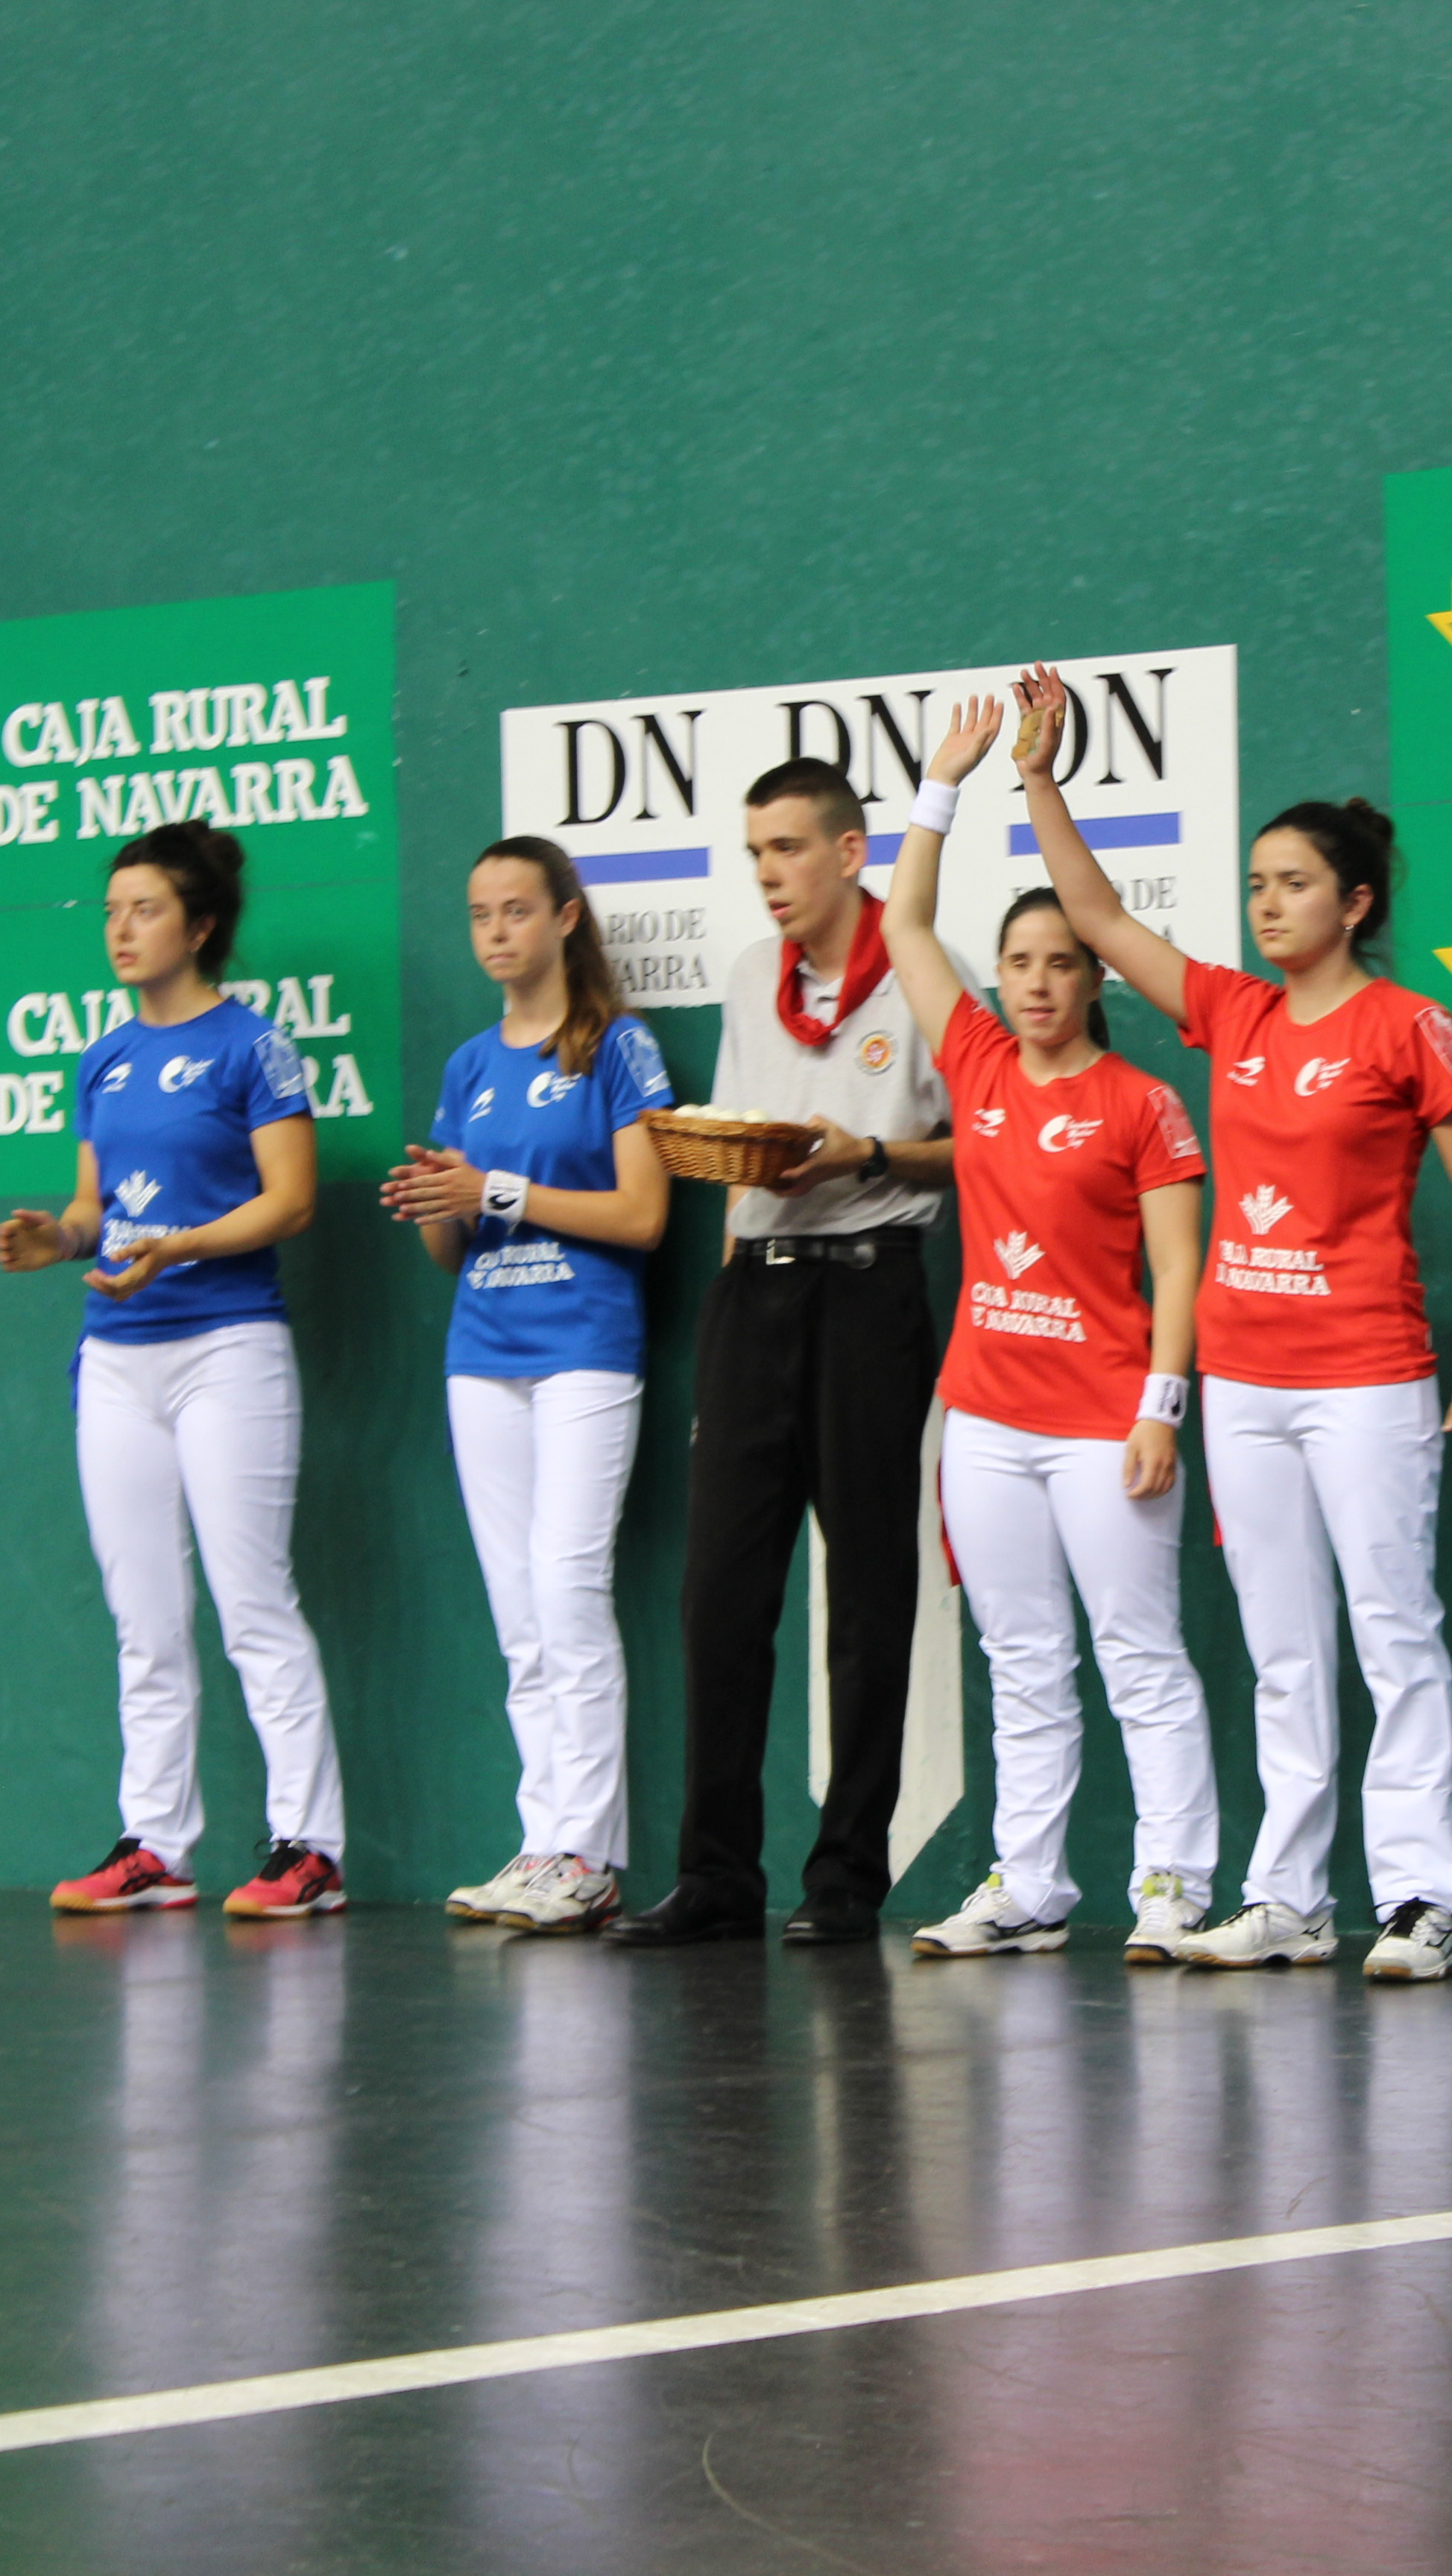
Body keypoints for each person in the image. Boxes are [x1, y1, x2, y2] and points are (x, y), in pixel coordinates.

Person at [1016, 666, 1452, 1979]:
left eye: (1292, 883)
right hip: (1243, 1382)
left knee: (1393, 1631)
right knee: (1281, 1645)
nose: (1267, 903)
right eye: (1255, 885)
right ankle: (1289, 1897)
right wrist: (1035, 775)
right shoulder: (1230, 1013)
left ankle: (1417, 1898)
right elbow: (1093, 912)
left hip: (1367, 1376)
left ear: (1354, 901)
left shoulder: (1407, 1026)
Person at [875, 696, 1224, 1964]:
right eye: (1019, 962)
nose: (1033, 982)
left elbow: (1182, 1266)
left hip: (1104, 1423)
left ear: (1091, 978)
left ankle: (1174, 1883)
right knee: (1020, 1659)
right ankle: (1030, 1885)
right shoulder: (969, 1060)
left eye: (1060, 962)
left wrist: (1160, 1409)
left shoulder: (1143, 1104)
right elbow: (904, 924)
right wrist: (941, 785)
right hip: (985, 1420)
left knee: (1140, 1653)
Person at [606, 759, 962, 1949]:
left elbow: (978, 1146)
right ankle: (713, 1876)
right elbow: (729, 1153)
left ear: (853, 853)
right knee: (721, 1596)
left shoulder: (924, 973)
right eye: (754, 851)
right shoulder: (750, 974)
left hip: (871, 1290)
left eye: (789, 848)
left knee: (866, 1595)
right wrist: (721, 1315)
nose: (767, 873)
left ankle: (847, 1880)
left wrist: (864, 1153)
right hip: (753, 1302)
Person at [0, 818, 348, 1921]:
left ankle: (311, 1850)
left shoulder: (256, 1049)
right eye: (110, 911)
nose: (120, 929)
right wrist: (55, 1241)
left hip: (229, 1351)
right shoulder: (101, 1058)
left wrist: (178, 1249)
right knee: (143, 1617)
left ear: (199, 926)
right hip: (117, 1363)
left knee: (254, 1605)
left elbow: (291, 1200)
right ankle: (156, 1845)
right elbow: (95, 1210)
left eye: (143, 909)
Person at [382, 837, 678, 1936]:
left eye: (515, 910)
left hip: (587, 1349)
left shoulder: (618, 1048)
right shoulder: (469, 1065)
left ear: (563, 919)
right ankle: (540, 1839)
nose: (495, 931)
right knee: (520, 1619)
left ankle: (588, 1855)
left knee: (566, 1589)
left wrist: (496, 1186)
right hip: (483, 1356)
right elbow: (456, 1249)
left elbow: (644, 1218)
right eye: (478, 915)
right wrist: (434, 1202)